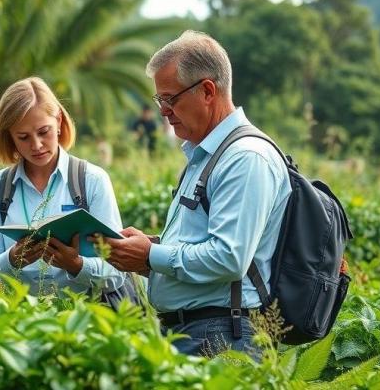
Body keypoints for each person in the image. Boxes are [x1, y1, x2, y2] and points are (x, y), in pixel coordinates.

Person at [95, 30, 291, 359]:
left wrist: (149, 256)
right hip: (196, 332)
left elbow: (229, 257)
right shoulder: (208, 156)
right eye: (160, 101)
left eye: (170, 99)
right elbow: (202, 243)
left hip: (223, 337)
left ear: (208, 91)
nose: (163, 111)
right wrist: (149, 250)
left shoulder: (245, 158)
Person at [0, 77, 126, 297]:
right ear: (10, 138)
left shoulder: (92, 180)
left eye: (43, 131)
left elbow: (116, 273)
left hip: (85, 323)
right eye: (23, 137)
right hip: (15, 322)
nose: (36, 145)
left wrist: (77, 265)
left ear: (59, 121)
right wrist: (9, 261)